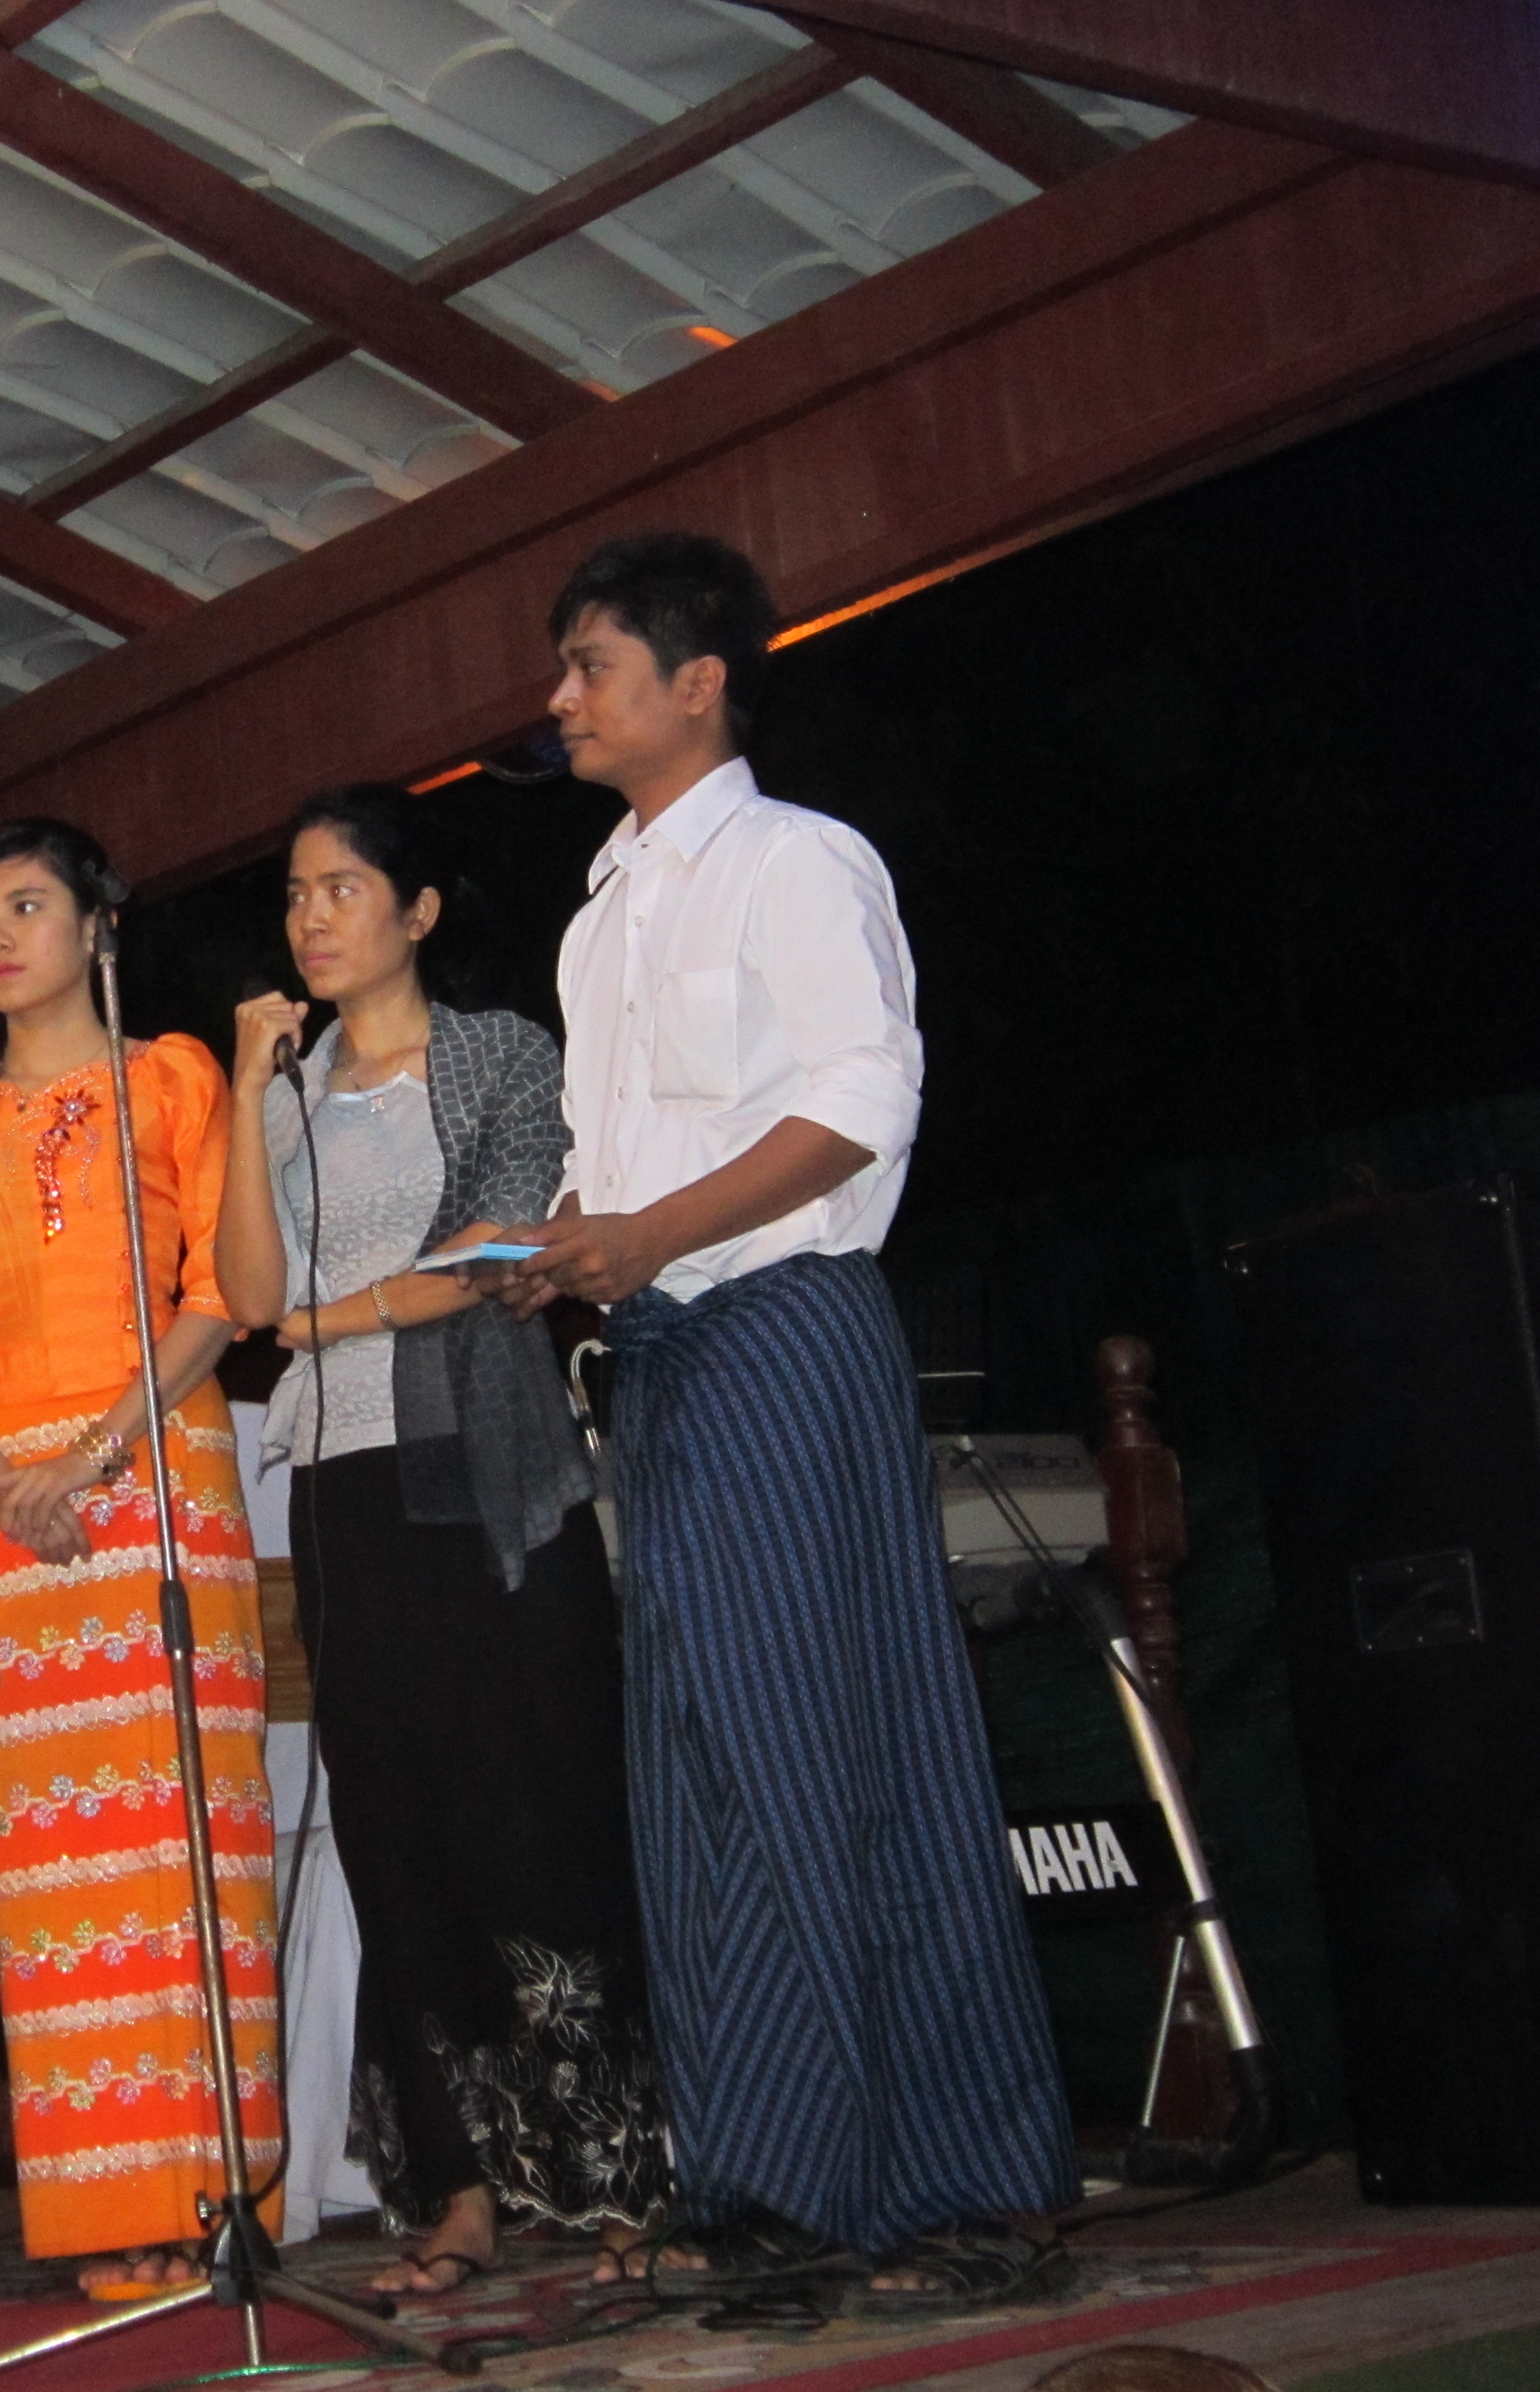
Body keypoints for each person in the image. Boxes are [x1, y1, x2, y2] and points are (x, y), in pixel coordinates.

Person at [471, 534, 1076, 2308]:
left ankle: (955, 2181)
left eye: (592, 667)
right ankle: (772, 2184)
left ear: (698, 679)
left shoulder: (804, 860)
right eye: (566, 670)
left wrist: (653, 1231)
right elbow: (618, 1164)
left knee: (844, 1739)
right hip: (659, 1355)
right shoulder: (596, 921)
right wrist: (565, 1251)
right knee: (704, 1772)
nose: (564, 701)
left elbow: (863, 1102)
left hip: (788, 1333)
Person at [214, 788, 670, 2293]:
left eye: (343, 888)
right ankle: (457, 2188)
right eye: (295, 893)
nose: (312, 916)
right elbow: (240, 1280)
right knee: (396, 1829)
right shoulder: (287, 1094)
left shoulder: (496, 1057)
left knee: (538, 1803)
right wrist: (240, 1089)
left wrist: (326, 1320)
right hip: (340, 1489)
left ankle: (621, 2174)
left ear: (416, 911)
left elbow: (491, 1254)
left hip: (477, 1468)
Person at [0, 819, 284, 2294]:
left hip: (154, 1475)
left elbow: (222, 1297)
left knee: (186, 1847)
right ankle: (105, 2209)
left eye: (30, 906)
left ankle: (210, 2196)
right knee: (60, 1878)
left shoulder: (172, 1076)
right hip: (3, 1513)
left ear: (101, 926)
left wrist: (95, 1456)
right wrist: (2, 1477)